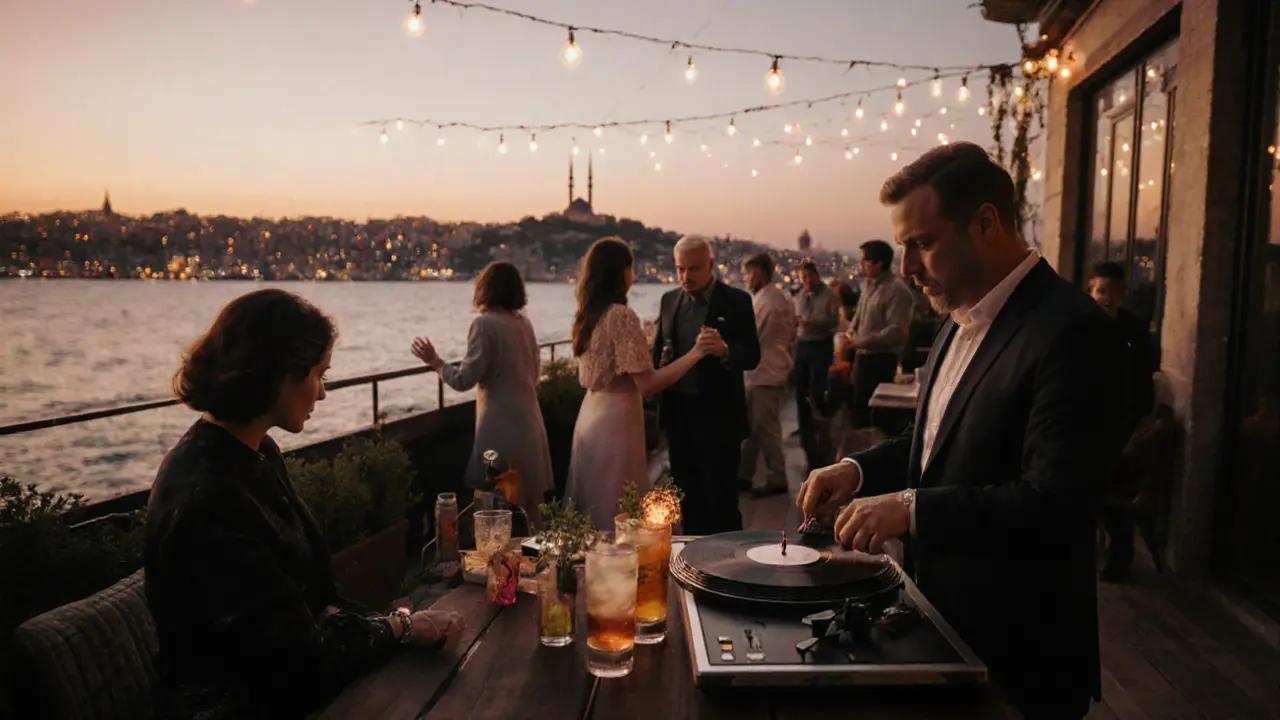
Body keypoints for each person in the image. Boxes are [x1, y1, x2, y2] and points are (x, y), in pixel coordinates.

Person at [797, 143, 1129, 719]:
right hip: (943, 627)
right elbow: (932, 445)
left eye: (921, 244)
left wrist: (908, 508)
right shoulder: (957, 318)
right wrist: (855, 471)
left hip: (1022, 659)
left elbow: (1058, 503)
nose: (906, 268)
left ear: (985, 223)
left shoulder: (1074, 332)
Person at [146, 289, 463, 720]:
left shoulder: (251, 452)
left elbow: (311, 601)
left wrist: (386, 626)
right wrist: (399, 627)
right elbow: (296, 667)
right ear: (278, 374)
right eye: (319, 374)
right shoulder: (211, 498)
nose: (323, 393)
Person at [565, 237, 708, 530]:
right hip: (617, 421)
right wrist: (697, 352)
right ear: (621, 272)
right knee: (617, 511)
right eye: (631, 268)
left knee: (592, 509)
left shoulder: (588, 314)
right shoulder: (621, 315)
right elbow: (648, 384)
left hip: (590, 414)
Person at [411, 261, 554, 528]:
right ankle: (534, 564)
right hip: (530, 425)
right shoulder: (524, 324)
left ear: (484, 289)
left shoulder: (484, 325)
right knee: (530, 511)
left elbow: (464, 379)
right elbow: (534, 374)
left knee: (494, 512)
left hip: (499, 430)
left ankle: (499, 565)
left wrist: (436, 362)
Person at [652, 235, 761, 535]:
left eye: (694, 269)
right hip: (679, 416)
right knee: (686, 500)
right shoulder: (668, 300)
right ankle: (693, 565)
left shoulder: (737, 300)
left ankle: (729, 569)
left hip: (719, 419)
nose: (686, 277)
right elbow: (660, 351)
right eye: (680, 269)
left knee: (721, 502)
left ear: (711, 265)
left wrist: (725, 350)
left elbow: (752, 356)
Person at [1087, 261, 1157, 582]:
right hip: (1081, 421)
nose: (1108, 299)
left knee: (1113, 477)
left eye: (1114, 293)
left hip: (1120, 425)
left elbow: (1143, 385)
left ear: (1124, 293)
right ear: (1091, 289)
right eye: (1102, 291)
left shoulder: (1136, 330)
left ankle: (1119, 559)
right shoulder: (1077, 324)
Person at [738, 253, 797, 499]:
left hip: (766, 373)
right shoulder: (774, 297)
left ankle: (777, 477)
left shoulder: (769, 301)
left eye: (747, 273)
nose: (744, 279)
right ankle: (744, 475)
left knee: (766, 428)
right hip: (766, 371)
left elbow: (752, 338)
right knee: (753, 427)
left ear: (760, 272)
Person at [845, 240, 915, 429]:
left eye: (865, 260)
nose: (861, 265)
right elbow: (859, 316)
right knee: (859, 414)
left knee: (876, 419)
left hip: (881, 361)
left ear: (879, 263)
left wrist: (863, 341)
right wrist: (851, 334)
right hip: (862, 359)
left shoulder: (896, 291)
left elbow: (897, 331)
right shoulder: (868, 286)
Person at [792, 261, 841, 470]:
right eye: (803, 278)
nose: (807, 282)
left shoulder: (829, 295)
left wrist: (812, 323)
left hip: (820, 344)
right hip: (802, 344)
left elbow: (832, 320)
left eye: (809, 277)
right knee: (799, 390)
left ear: (817, 276)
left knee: (817, 389)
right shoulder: (800, 296)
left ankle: (821, 433)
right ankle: (805, 434)